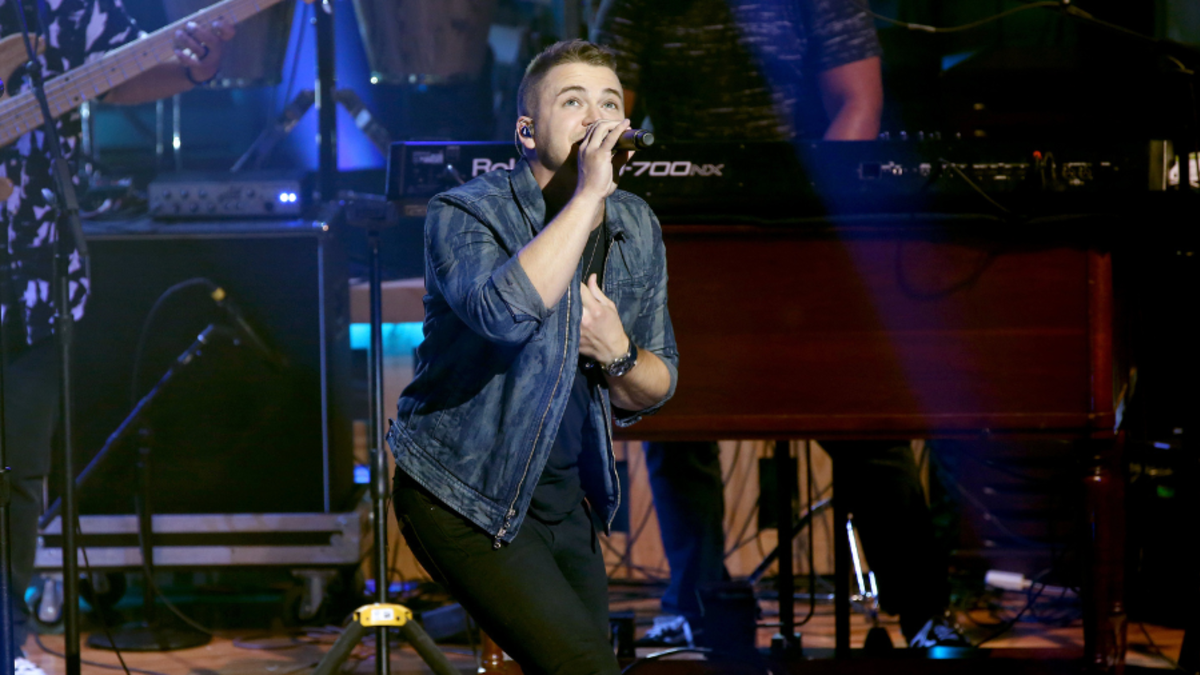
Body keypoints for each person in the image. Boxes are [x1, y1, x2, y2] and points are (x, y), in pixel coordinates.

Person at [593, 0, 968, 650]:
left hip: (805, 221)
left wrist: (803, 199)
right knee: (669, 403)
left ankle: (923, 612)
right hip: (690, 225)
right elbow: (608, 112)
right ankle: (693, 602)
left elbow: (859, 102)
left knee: (863, 417)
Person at [386, 40, 679, 675]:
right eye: (573, 102)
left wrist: (619, 353)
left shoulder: (635, 225)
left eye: (610, 103)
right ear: (526, 131)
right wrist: (587, 196)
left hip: (562, 499)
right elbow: (506, 314)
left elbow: (658, 383)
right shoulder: (465, 211)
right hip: (461, 492)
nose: (597, 117)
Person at [2, 2, 233, 672]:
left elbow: (120, 71)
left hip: (34, 274)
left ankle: (7, 643)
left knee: (20, 477)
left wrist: (195, 66)